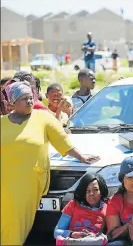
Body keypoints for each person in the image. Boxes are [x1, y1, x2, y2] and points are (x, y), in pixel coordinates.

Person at [1, 81, 99, 245]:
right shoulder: (2, 123)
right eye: (24, 98)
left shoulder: (42, 118)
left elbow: (62, 141)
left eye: (30, 97)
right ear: (12, 102)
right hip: (4, 180)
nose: (30, 101)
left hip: (28, 181)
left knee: (15, 222)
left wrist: (81, 157)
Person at [54, 174, 109, 243]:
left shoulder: (108, 208)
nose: (91, 193)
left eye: (95, 190)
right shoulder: (73, 204)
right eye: (87, 191)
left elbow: (111, 234)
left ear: (101, 191)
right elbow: (57, 232)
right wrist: (71, 234)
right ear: (83, 193)